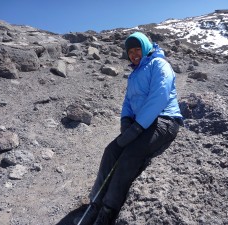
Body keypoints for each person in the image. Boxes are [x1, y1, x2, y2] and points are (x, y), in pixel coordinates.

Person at [74, 31, 183, 225]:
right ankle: (95, 203)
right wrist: (125, 121)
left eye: (137, 49)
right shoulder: (135, 73)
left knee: (129, 154)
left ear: (146, 48)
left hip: (165, 120)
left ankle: (108, 211)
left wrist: (137, 128)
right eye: (130, 51)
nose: (133, 54)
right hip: (141, 124)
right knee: (111, 151)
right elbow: (127, 101)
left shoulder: (160, 64)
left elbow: (159, 97)